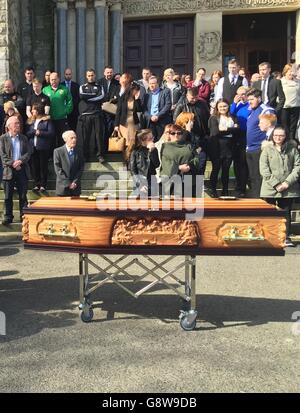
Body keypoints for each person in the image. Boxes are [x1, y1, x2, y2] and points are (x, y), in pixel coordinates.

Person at [260, 127, 300, 247]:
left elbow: (297, 167)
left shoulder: (292, 150)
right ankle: (268, 236)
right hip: (270, 187)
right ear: (272, 136)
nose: (278, 137)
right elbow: (264, 169)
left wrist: (287, 183)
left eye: (281, 135)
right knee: (269, 213)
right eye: (276, 135)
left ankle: (285, 237)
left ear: (285, 136)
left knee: (285, 213)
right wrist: (276, 184)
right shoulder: (266, 150)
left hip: (288, 188)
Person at [0, 116, 31, 224]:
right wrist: (13, 163)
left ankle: (24, 216)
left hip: (21, 170)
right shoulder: (3, 138)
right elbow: (3, 156)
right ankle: (8, 217)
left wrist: (20, 161)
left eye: (18, 123)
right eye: (16, 123)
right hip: (8, 171)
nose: (18, 125)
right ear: (9, 126)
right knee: (8, 196)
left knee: (23, 195)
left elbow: (28, 153)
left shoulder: (23, 138)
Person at [246, 88, 275, 198]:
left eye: (252, 99)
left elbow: (271, 126)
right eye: (248, 99)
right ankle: (256, 200)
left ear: (259, 98)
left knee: (259, 177)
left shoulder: (265, 110)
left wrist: (266, 144)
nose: (250, 102)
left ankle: (261, 202)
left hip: (259, 148)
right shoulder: (252, 110)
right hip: (250, 149)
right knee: (253, 177)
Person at [208, 98, 239, 198]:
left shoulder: (233, 117)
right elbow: (215, 132)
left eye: (224, 106)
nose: (222, 108)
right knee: (216, 169)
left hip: (229, 146)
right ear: (217, 107)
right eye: (220, 106)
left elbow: (237, 130)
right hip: (217, 146)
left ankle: (225, 190)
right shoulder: (214, 118)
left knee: (226, 170)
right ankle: (213, 190)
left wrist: (226, 129)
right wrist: (232, 129)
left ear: (228, 106)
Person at [160, 124, 200, 198]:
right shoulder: (165, 146)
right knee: (172, 207)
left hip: (189, 179)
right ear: (169, 134)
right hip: (172, 181)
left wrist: (189, 166)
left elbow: (196, 158)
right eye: (173, 133)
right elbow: (165, 163)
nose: (176, 135)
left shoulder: (189, 145)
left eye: (179, 133)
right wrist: (178, 167)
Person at [77, 68, 105, 162]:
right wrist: (94, 95)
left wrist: (88, 97)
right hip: (86, 115)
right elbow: (81, 96)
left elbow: (101, 96)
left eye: (92, 75)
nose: (90, 77)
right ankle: (86, 156)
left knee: (99, 135)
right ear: (86, 76)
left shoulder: (100, 87)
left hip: (97, 114)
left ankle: (100, 155)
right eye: (89, 75)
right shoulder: (82, 87)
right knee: (86, 136)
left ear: (95, 75)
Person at [26, 103, 55, 192]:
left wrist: (40, 133)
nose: (32, 111)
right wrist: (34, 132)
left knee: (43, 166)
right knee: (34, 166)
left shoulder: (47, 120)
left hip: (43, 147)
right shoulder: (30, 121)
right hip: (32, 147)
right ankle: (36, 184)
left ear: (38, 110)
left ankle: (43, 185)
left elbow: (51, 133)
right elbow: (27, 133)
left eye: (33, 109)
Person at [43, 72, 73, 149]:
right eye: (52, 80)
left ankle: (62, 157)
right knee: (51, 138)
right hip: (50, 119)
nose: (53, 81)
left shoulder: (64, 89)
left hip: (62, 119)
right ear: (49, 80)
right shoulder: (45, 90)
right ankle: (51, 157)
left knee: (62, 138)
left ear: (59, 79)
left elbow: (70, 102)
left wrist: (65, 112)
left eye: (55, 79)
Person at [230, 86, 250, 197]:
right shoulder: (236, 105)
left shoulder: (250, 105)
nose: (240, 96)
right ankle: (239, 184)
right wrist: (234, 103)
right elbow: (230, 114)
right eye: (238, 94)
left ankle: (242, 187)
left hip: (245, 135)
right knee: (237, 163)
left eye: (243, 94)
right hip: (234, 135)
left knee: (243, 163)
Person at [128, 129, 160, 197]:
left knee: (153, 204)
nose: (153, 139)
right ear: (143, 140)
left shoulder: (154, 149)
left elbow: (157, 164)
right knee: (142, 205)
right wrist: (139, 184)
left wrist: (152, 152)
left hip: (152, 180)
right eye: (150, 138)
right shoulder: (135, 152)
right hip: (140, 180)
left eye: (153, 137)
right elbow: (133, 170)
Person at [53, 130, 84, 197]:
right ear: (65, 139)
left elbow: (81, 168)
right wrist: (68, 184)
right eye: (72, 138)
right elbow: (58, 170)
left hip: (75, 189)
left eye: (75, 138)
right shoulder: (58, 151)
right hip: (63, 189)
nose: (74, 140)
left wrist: (75, 182)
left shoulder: (79, 151)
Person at [143, 75, 172, 142]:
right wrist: (150, 117)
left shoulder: (165, 92)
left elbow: (168, 105)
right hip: (150, 122)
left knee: (162, 141)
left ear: (158, 84)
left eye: (153, 83)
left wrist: (157, 116)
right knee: (151, 141)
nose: (151, 85)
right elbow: (144, 109)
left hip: (162, 121)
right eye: (150, 83)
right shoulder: (147, 95)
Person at [98, 66, 120, 150]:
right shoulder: (99, 82)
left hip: (111, 111)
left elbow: (118, 96)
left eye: (111, 72)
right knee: (101, 130)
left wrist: (112, 100)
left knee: (110, 129)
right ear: (104, 73)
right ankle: (101, 148)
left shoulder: (117, 83)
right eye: (107, 72)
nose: (109, 74)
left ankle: (110, 148)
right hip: (101, 110)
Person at [114, 81, 142, 147]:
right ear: (131, 90)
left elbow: (139, 109)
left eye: (138, 90)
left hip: (134, 124)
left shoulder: (136, 99)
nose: (137, 92)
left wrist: (137, 99)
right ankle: (125, 157)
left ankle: (132, 157)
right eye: (136, 90)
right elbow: (118, 112)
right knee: (125, 142)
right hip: (124, 124)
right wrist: (116, 125)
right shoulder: (122, 98)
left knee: (133, 142)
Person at [280, 63, 300, 141]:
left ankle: (292, 142)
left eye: (293, 71)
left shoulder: (298, 82)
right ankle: (285, 141)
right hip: (285, 107)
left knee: (293, 126)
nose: (292, 73)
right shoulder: (280, 81)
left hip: (296, 106)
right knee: (285, 126)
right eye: (290, 71)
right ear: (285, 71)